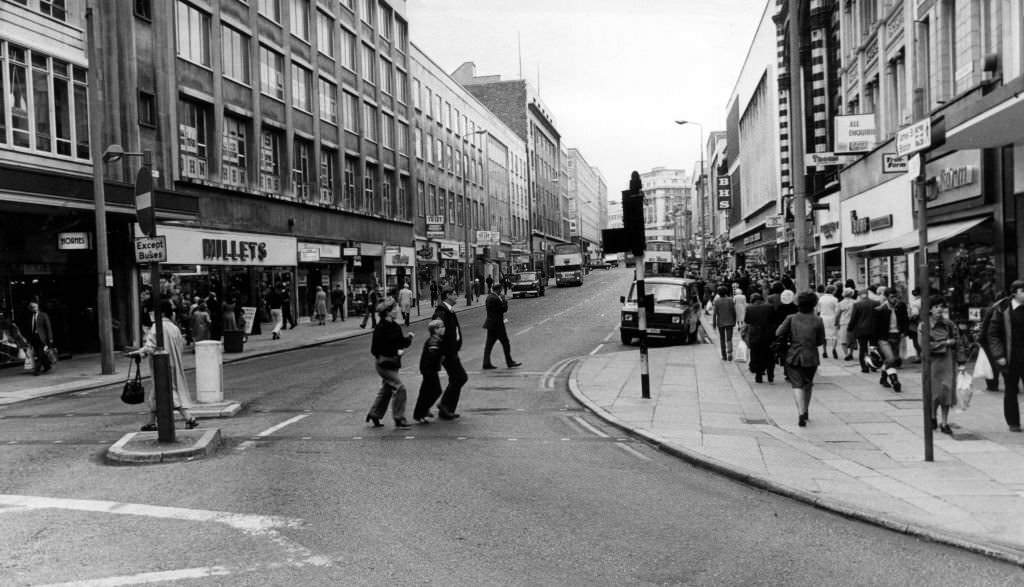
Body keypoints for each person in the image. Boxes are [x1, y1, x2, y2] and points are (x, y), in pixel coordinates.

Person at [131, 300, 198, 431]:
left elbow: (150, 346)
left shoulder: (157, 327)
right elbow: (181, 345)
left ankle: (189, 417)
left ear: (160, 312)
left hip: (160, 365)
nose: (151, 314)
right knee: (156, 393)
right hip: (174, 362)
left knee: (167, 391)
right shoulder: (174, 328)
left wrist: (139, 353)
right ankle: (151, 422)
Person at [776, 291, 825, 427]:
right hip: (811, 356)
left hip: (794, 355)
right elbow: (820, 341)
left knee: (797, 384)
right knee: (808, 384)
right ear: (814, 305)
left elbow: (778, 332)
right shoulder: (818, 320)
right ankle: (807, 410)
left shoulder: (791, 318)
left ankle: (800, 412)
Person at [366, 298, 415, 429]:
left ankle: (374, 414)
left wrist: (408, 338)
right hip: (383, 364)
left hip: (393, 363)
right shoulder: (380, 328)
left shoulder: (395, 326)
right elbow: (375, 350)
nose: (397, 310)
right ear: (387, 312)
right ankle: (399, 418)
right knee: (400, 388)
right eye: (394, 309)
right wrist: (393, 353)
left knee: (387, 389)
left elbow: (401, 343)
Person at [985, 280, 1024, 432]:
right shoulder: (1002, 310)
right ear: (1014, 293)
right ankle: (1013, 423)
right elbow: (992, 334)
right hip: (1010, 357)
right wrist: (999, 355)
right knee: (1011, 389)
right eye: (1022, 291)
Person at [922, 295, 962, 435]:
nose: (939, 309)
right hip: (932, 363)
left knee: (947, 393)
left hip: (948, 362)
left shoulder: (949, 324)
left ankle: (944, 422)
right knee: (934, 394)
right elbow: (925, 346)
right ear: (930, 309)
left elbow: (958, 341)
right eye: (936, 307)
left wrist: (961, 362)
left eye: (941, 307)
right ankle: (933, 416)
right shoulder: (924, 326)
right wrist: (945, 343)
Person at [428, 285, 469, 420]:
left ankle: (447, 410)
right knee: (461, 377)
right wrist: (442, 352)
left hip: (452, 351)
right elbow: (436, 332)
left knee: (455, 378)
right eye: (454, 293)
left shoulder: (449, 311)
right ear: (447, 296)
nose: (456, 295)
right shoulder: (441, 312)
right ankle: (444, 404)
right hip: (447, 353)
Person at [872, 288, 909, 392]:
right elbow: (875, 328)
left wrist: (904, 332)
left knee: (891, 360)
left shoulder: (901, 306)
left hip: (896, 336)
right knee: (891, 358)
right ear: (887, 297)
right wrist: (873, 344)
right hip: (884, 338)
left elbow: (905, 320)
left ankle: (883, 378)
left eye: (896, 296)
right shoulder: (880, 309)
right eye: (892, 297)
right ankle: (895, 381)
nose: (895, 299)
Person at [482, 283, 522, 370]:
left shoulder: (489, 297)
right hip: (497, 325)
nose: (502, 291)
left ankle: (486, 363)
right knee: (505, 343)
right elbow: (504, 309)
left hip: (491, 324)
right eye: (501, 289)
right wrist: (504, 300)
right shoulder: (496, 298)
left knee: (489, 345)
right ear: (499, 290)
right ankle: (509, 362)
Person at [413, 319, 446, 423]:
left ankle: (421, 412)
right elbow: (433, 355)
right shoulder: (434, 341)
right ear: (436, 330)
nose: (444, 328)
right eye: (441, 327)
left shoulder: (435, 339)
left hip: (429, 369)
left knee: (425, 392)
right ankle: (421, 412)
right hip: (429, 370)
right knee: (435, 391)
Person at [744, 293, 776, 383]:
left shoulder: (749, 308)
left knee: (756, 355)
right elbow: (773, 319)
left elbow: (747, 320)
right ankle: (770, 376)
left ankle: (759, 376)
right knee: (769, 355)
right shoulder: (770, 307)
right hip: (768, 334)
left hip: (755, 335)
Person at [847, 288, 878, 373]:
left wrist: (850, 328)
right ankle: (873, 365)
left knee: (863, 349)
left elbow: (854, 318)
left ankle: (864, 367)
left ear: (860, 296)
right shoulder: (876, 303)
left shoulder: (857, 305)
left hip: (861, 330)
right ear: (867, 294)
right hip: (873, 329)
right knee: (873, 348)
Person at [26, 301, 54, 375]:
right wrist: (29, 339)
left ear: (38, 307)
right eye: (32, 307)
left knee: (40, 354)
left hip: (42, 338)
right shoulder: (29, 316)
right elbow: (29, 329)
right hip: (34, 338)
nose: (33, 308)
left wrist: (50, 338)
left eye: (34, 306)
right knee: (39, 353)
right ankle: (47, 366)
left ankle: (36, 370)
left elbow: (48, 327)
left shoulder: (43, 315)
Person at [712, 285, 737, 361]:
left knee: (722, 339)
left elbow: (715, 313)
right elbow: (734, 311)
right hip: (730, 322)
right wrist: (734, 320)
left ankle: (724, 355)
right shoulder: (730, 300)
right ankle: (729, 354)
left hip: (721, 322)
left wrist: (714, 323)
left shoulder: (717, 301)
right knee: (729, 339)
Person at [817, 285, 839, 359]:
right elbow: (837, 311)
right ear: (833, 291)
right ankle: (834, 349)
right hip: (832, 317)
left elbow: (818, 310)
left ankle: (824, 351)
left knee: (824, 335)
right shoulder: (835, 299)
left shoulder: (821, 299)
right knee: (834, 335)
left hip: (823, 318)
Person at [834, 288, 857, 361]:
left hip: (844, 322)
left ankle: (846, 354)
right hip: (853, 323)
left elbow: (837, 315)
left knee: (843, 340)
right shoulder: (855, 302)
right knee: (852, 339)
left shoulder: (840, 303)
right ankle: (851, 353)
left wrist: (836, 323)